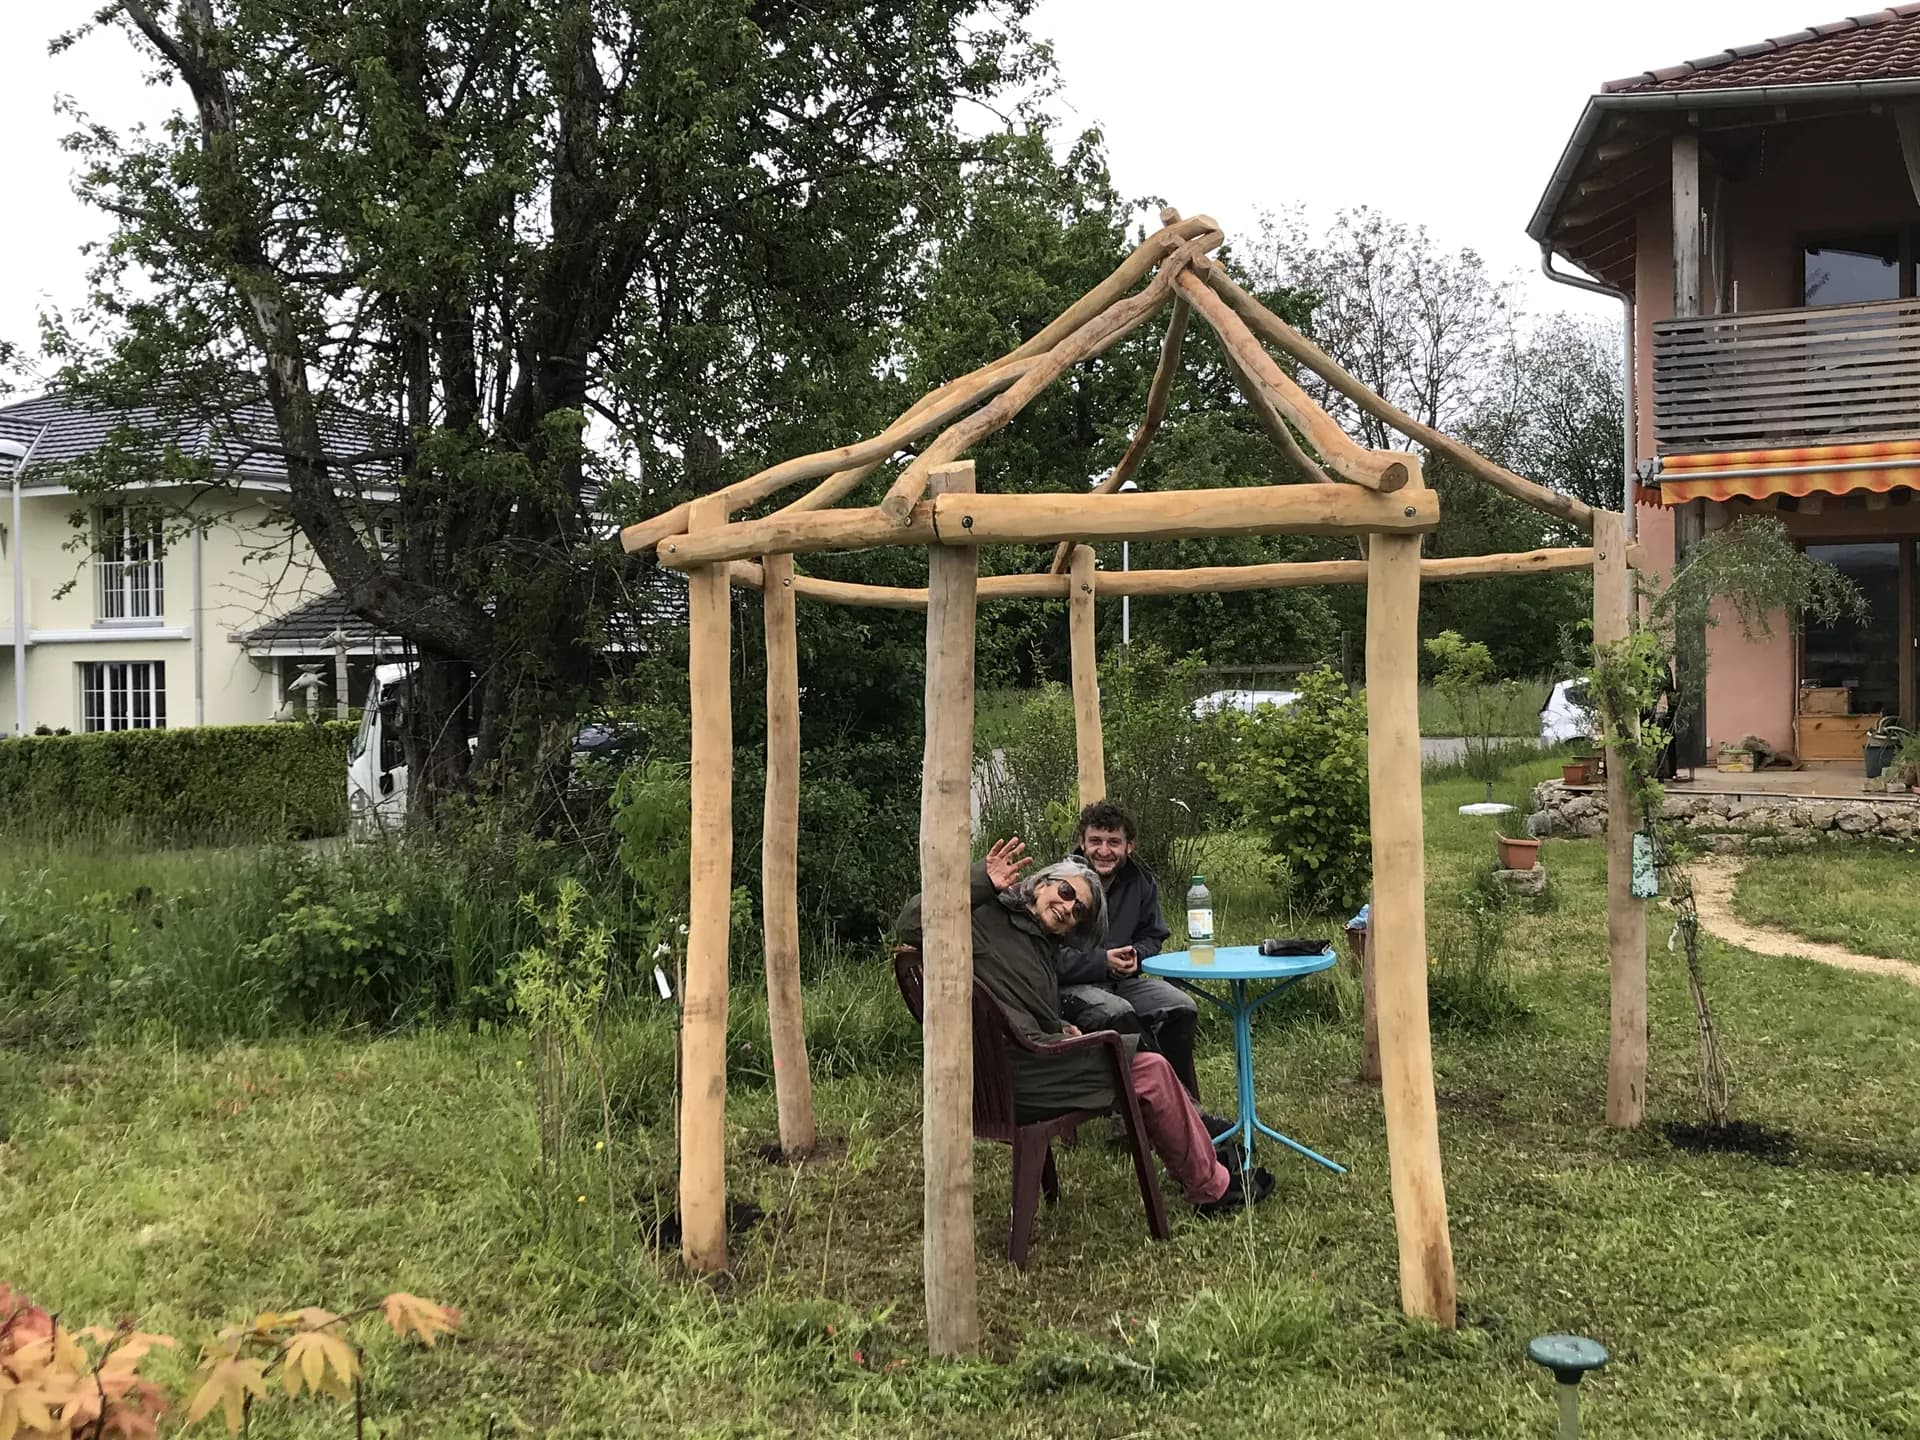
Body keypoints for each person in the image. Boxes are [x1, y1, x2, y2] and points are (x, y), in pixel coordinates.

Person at [896, 837, 1272, 1216]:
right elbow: (911, 924)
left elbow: (1013, 1006)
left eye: (1078, 910)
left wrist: (1060, 1026)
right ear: (1040, 884)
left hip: (1009, 1070)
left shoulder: (1037, 944)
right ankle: (1211, 1187)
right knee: (1151, 1071)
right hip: (1021, 1078)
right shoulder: (985, 917)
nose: (1067, 907)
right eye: (1065, 892)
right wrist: (981, 880)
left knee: (1148, 1058)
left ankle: (1205, 1161)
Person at [1053, 802, 1214, 1118]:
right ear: (1082, 842)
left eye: (1113, 842)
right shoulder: (1060, 884)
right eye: (1096, 841)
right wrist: (1101, 962)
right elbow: (1046, 955)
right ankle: (1176, 1112)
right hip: (1069, 989)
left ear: (1129, 846)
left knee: (1181, 1007)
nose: (1104, 851)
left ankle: (1167, 1106)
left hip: (1123, 981)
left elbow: (1154, 935)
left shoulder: (1141, 882)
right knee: (1119, 1013)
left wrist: (1136, 956)